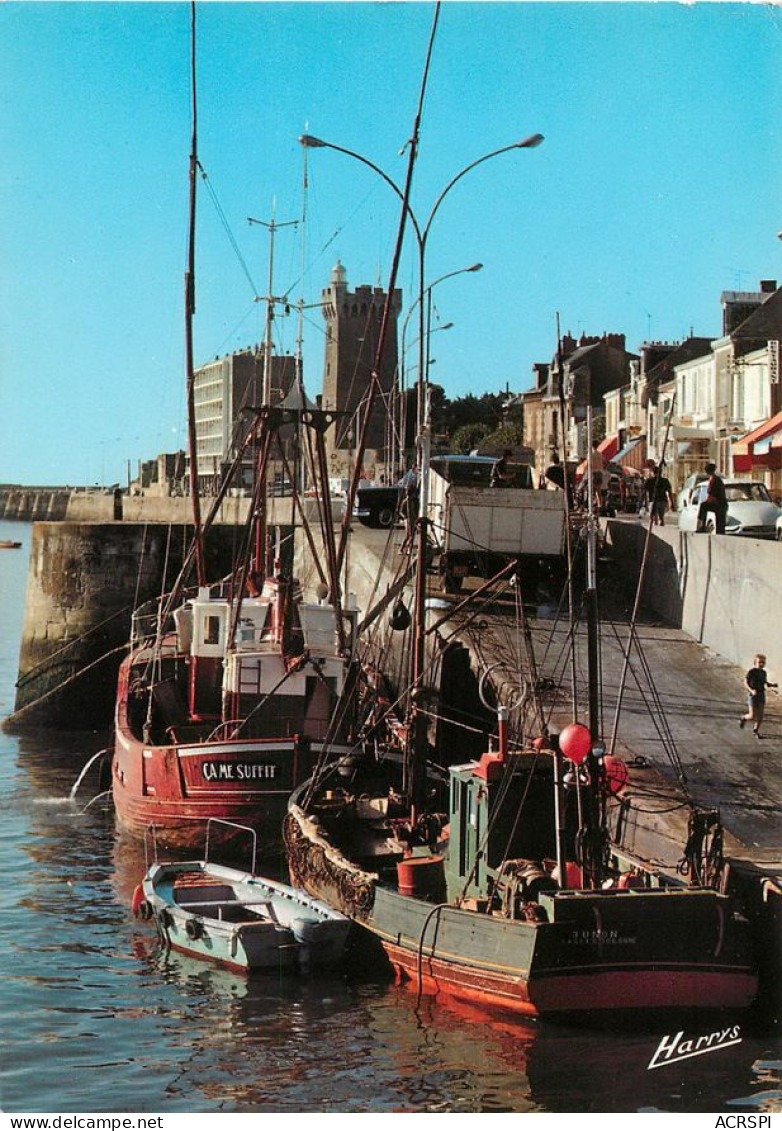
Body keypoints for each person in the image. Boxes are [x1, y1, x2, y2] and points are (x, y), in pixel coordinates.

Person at [739, 654, 777, 738]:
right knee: (752, 716)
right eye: (760, 662)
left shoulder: (763, 672)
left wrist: (772, 685)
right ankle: (744, 718)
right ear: (755, 662)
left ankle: (755, 731)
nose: (762, 664)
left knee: (760, 716)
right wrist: (751, 690)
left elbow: (765, 683)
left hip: (761, 694)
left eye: (763, 662)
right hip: (752, 696)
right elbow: (745, 682)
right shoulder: (752, 672)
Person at [696, 462, 728, 533]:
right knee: (720, 527)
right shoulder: (717, 479)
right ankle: (702, 526)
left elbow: (711, 495)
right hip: (722, 505)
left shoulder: (713, 479)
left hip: (719, 505)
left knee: (703, 506)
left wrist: (706, 501)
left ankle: (701, 526)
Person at [643, 460, 675, 526]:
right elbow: (669, 493)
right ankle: (661, 525)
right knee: (661, 517)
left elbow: (645, 493)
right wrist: (672, 503)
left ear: (653, 472)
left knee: (653, 518)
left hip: (653, 501)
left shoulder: (649, 481)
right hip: (663, 501)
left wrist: (645, 503)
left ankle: (655, 528)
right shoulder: (665, 481)